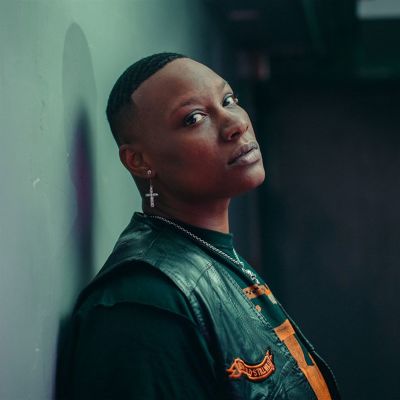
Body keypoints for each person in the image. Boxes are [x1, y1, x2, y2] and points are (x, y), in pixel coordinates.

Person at [56, 52, 340, 399]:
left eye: (228, 100)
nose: (235, 124)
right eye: (193, 118)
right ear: (139, 161)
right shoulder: (145, 303)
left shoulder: (210, 255)